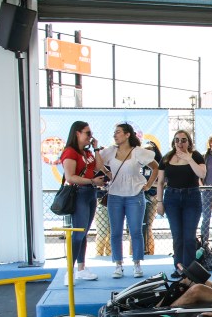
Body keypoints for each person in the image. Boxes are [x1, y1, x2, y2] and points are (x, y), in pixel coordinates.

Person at [101, 123, 159, 278]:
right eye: (114, 132)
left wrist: (147, 185)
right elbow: (97, 162)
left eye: (118, 132)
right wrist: (107, 172)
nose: (115, 135)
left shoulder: (138, 152)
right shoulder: (110, 151)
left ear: (127, 135)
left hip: (135, 195)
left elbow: (156, 166)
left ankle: (137, 263)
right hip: (114, 196)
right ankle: (118, 264)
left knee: (135, 230)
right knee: (116, 232)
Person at [58, 121, 107, 285]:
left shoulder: (87, 153)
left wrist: (96, 148)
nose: (90, 136)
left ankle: (81, 268)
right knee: (78, 233)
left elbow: (98, 167)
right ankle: (69, 271)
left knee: (84, 232)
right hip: (79, 193)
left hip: (90, 193)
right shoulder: (70, 152)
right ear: (77, 133)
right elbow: (70, 177)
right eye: (87, 133)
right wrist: (92, 180)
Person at [156, 130, 206, 277]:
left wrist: (189, 159)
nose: (180, 143)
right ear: (173, 142)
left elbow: (202, 174)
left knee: (189, 236)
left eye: (184, 140)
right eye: (177, 140)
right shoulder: (166, 158)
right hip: (172, 198)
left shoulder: (196, 156)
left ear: (189, 142)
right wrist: (159, 202)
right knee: (177, 236)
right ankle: (178, 267)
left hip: (192, 197)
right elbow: (160, 182)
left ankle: (189, 269)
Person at [141, 141, 163, 256]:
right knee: (135, 227)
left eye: (151, 150)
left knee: (148, 226)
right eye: (146, 150)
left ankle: (149, 252)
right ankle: (135, 251)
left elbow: (161, 183)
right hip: (139, 196)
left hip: (152, 196)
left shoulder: (158, 165)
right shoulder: (139, 163)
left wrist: (148, 185)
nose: (148, 153)